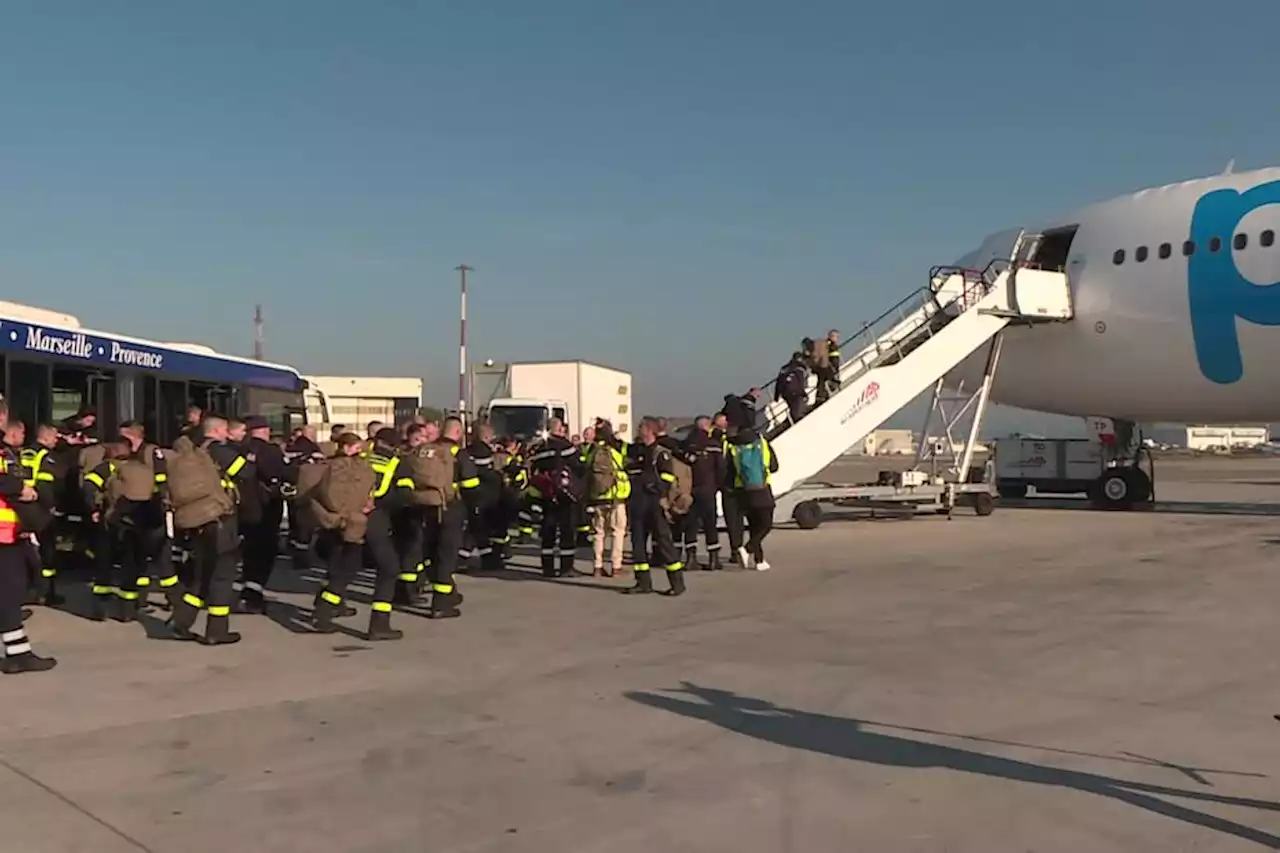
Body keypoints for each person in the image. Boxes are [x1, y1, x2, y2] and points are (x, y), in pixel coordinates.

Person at [0, 398, 56, 674]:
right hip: (4, 535)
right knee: (11, 590)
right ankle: (17, 655)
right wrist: (20, 488)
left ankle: (18, 652)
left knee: (15, 588)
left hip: (11, 533)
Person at [624, 417, 685, 596]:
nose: (638, 428)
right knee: (638, 545)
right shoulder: (637, 451)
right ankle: (643, 583)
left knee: (664, 543)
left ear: (650, 430)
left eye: (641, 426)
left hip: (653, 505)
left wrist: (655, 487)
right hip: (636, 504)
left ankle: (677, 583)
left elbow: (668, 477)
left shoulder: (660, 453)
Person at [239, 415, 286, 613]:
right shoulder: (270, 450)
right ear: (265, 431)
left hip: (240, 507)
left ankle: (246, 591)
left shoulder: (236, 449)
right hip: (265, 507)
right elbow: (282, 474)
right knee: (263, 553)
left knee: (247, 550)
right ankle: (253, 596)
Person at [527, 417, 582, 578]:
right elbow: (578, 465)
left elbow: (534, 467)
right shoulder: (566, 446)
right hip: (564, 493)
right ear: (559, 429)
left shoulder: (540, 447)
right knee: (566, 530)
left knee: (548, 530)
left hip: (546, 493)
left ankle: (547, 567)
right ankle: (566, 567)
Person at [725, 426, 780, 571]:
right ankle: (747, 549)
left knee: (754, 526)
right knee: (766, 525)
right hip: (762, 489)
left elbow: (729, 472)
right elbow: (774, 467)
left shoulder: (734, 448)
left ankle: (759, 560)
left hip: (743, 491)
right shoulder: (762, 444)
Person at [584, 420, 629, 577]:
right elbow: (627, 458)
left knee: (599, 532)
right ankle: (616, 566)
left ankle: (597, 566)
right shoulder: (617, 446)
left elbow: (586, 466)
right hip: (615, 495)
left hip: (597, 495)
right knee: (618, 531)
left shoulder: (592, 449)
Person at [680, 415, 724, 570]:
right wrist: (718, 486)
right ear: (707, 426)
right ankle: (713, 559)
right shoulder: (713, 445)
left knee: (690, 524)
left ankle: (691, 558)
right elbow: (721, 469)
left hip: (689, 489)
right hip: (708, 488)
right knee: (710, 523)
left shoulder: (686, 444)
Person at [775, 352, 809, 426]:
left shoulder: (784, 368)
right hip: (795, 391)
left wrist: (776, 395)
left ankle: (789, 420)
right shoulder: (800, 367)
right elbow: (800, 380)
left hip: (784, 392)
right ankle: (796, 421)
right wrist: (803, 392)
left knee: (793, 406)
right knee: (799, 405)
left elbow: (779, 381)